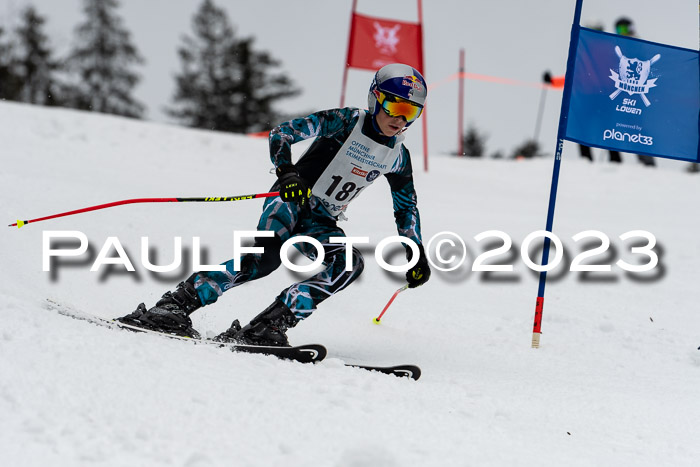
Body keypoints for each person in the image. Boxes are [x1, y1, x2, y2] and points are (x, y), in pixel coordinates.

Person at [116, 63, 431, 346]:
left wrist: (414, 251)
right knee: (263, 260)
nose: (401, 118)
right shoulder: (346, 121)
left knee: (347, 264)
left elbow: (406, 206)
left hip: (321, 222)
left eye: (412, 112)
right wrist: (287, 173)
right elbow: (283, 133)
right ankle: (173, 306)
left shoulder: (398, 157)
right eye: (395, 106)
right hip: (290, 200)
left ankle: (268, 326)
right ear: (376, 98)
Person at [614, 17, 655, 167]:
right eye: (619, 30)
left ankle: (646, 160)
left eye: (625, 29)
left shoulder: (637, 44)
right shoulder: (617, 45)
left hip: (636, 94)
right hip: (621, 92)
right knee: (615, 125)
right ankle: (615, 159)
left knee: (636, 127)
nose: (622, 33)